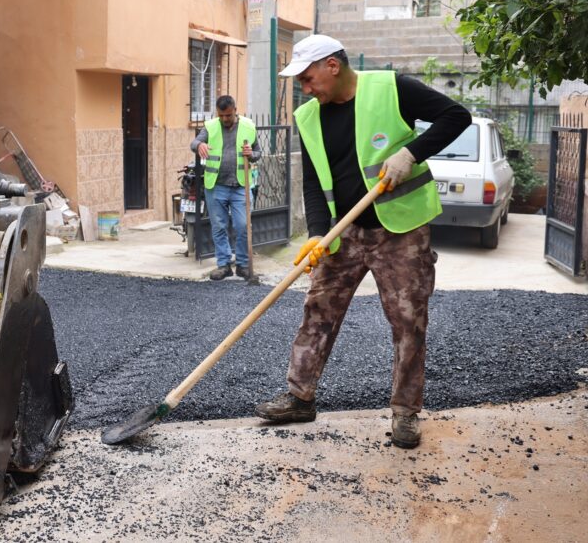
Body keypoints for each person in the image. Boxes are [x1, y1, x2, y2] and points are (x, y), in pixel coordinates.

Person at [256, 34, 470, 449]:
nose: (305, 87)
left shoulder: (392, 88)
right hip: (345, 231)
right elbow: (315, 185)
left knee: (408, 321)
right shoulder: (308, 117)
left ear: (333, 66)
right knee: (318, 308)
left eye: (308, 77)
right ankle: (300, 397)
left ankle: (406, 413)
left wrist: (412, 153)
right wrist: (318, 232)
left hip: (401, 231)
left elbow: (455, 116)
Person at [190, 95, 261, 280]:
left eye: (228, 115)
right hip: (216, 185)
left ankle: (243, 265)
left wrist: (251, 154)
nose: (224, 119)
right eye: (221, 115)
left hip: (240, 186)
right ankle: (224, 265)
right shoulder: (211, 126)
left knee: (243, 226)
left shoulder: (248, 126)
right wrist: (200, 145)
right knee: (219, 226)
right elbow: (194, 143)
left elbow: (258, 152)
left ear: (235, 110)